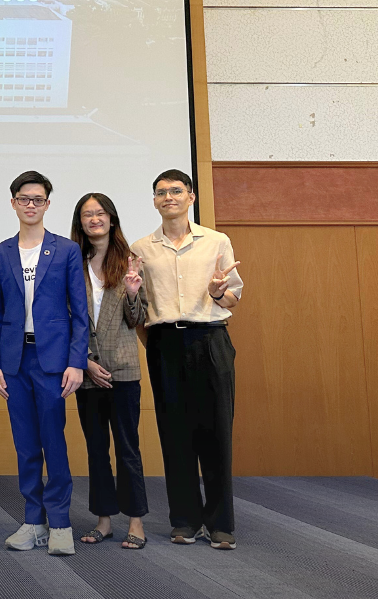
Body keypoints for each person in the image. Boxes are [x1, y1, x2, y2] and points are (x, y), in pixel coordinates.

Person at [130, 169, 243, 551]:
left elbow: (233, 301)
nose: (168, 197)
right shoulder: (141, 248)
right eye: (160, 192)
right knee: (174, 435)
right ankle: (184, 521)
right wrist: (158, 347)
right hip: (164, 344)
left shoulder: (216, 241)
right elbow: (139, 310)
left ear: (191, 197)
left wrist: (216, 293)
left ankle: (220, 524)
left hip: (210, 339)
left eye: (176, 191)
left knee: (216, 434)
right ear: (155, 201)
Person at [0, 171, 88, 556]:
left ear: (47, 204)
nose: (31, 205)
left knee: (54, 443)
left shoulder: (65, 251)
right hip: (14, 362)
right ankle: (34, 521)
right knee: (26, 446)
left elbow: (79, 313)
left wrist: (76, 362)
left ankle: (60, 522)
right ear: (13, 203)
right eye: (24, 199)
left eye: (38, 199)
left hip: (53, 363)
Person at [69, 193, 149, 550]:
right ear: (80, 223)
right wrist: (84, 360)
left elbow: (138, 319)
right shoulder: (71, 263)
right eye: (87, 214)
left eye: (100, 213)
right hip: (87, 371)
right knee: (96, 449)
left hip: (124, 371)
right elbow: (65, 318)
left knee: (128, 448)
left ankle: (135, 521)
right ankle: (103, 520)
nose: (94, 219)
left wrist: (133, 293)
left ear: (112, 219)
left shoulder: (132, 262)